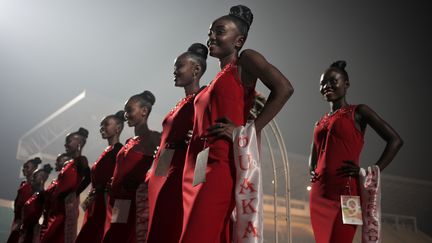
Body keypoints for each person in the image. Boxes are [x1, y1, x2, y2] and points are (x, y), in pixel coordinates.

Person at [180, 5, 293, 243]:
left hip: (221, 165)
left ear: (238, 40)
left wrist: (248, 130)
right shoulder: (215, 79)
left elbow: (284, 88)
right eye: (210, 31)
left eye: (219, 31)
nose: (211, 36)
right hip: (197, 167)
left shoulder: (245, 62)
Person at [309, 60, 403, 243]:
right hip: (319, 196)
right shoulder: (319, 122)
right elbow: (314, 154)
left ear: (346, 84)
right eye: (322, 83)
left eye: (332, 81)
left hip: (348, 194)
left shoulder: (359, 111)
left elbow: (396, 141)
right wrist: (312, 171)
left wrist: (371, 172)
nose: (326, 86)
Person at [146, 43, 207, 243]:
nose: (174, 71)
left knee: (170, 223)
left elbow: (206, 134)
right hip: (163, 166)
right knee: (157, 221)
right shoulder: (181, 102)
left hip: (180, 168)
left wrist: (197, 138)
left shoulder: (202, 98)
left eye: (179, 66)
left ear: (196, 70)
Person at [103, 91, 161, 243]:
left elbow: (163, 167)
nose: (126, 114)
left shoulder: (154, 137)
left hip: (137, 202)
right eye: (125, 111)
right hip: (120, 202)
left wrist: (144, 182)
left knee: (130, 237)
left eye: (129, 110)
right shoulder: (129, 141)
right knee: (115, 236)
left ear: (144, 111)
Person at [75, 111, 125, 243]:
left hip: (107, 201)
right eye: (100, 125)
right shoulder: (106, 151)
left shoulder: (119, 150)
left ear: (118, 128)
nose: (102, 128)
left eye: (106, 124)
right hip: (96, 202)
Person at [41, 127, 90, 243]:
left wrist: (75, 192)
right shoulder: (69, 163)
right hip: (56, 209)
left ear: (80, 142)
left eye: (68, 141)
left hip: (64, 211)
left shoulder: (80, 160)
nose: (65, 144)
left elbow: (89, 177)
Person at [7, 157, 42, 243]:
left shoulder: (35, 187)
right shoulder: (23, 183)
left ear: (34, 169)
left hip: (25, 222)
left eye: (27, 167)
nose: (24, 169)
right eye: (24, 167)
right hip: (17, 219)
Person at [20, 164, 53, 243]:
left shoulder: (43, 197)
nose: (32, 180)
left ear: (42, 179)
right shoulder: (34, 195)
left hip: (33, 235)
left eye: (34, 178)